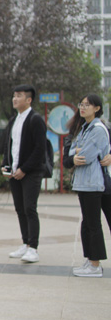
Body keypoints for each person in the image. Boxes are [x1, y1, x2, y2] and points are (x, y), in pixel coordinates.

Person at [2, 84, 46, 263]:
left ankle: (33, 248)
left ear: (29, 100)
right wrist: (6, 166)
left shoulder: (35, 120)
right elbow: (9, 146)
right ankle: (25, 243)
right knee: (20, 209)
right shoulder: (14, 120)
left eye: (19, 96)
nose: (15, 99)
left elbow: (39, 149)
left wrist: (24, 169)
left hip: (31, 173)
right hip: (14, 173)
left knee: (30, 208)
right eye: (14, 95)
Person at [66, 94, 108, 277]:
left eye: (87, 105)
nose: (82, 108)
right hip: (83, 183)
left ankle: (95, 265)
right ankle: (90, 260)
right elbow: (71, 150)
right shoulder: (84, 128)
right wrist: (75, 153)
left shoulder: (98, 129)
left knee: (93, 224)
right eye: (81, 104)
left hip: (93, 183)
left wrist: (77, 153)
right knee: (87, 223)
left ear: (97, 108)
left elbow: (87, 156)